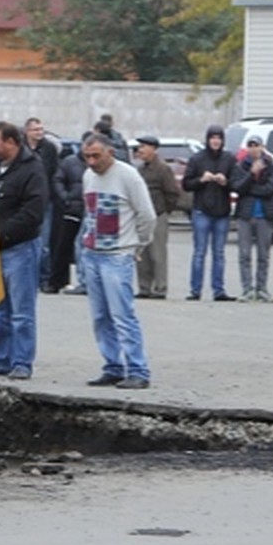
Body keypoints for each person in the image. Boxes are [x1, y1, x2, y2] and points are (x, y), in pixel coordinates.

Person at [78, 132, 156, 389]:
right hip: (92, 253)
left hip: (117, 255)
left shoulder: (128, 176)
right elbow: (89, 212)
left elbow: (146, 214)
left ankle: (137, 369)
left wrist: (137, 244)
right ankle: (112, 365)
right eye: (87, 156)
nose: (91, 161)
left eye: (96, 156)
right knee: (100, 316)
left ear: (110, 152)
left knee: (123, 315)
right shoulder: (88, 176)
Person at [0, 121, 48, 381]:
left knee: (21, 310)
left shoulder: (32, 170)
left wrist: (2, 233)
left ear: (12, 143)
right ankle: (2, 360)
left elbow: (33, 212)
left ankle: (22, 362)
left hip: (20, 249)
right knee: (1, 310)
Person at [182, 125, 237, 301]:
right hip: (202, 210)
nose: (215, 141)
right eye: (212, 137)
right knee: (199, 252)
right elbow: (186, 184)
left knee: (219, 253)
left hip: (222, 212)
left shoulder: (229, 159)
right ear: (207, 139)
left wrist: (225, 181)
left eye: (219, 138)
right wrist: (201, 179)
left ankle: (219, 290)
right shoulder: (197, 159)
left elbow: (237, 184)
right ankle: (195, 290)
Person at [231, 134, 273, 302]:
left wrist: (250, 189)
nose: (254, 149)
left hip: (265, 215)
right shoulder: (240, 166)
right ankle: (247, 288)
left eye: (256, 145)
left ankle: (262, 288)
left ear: (262, 147)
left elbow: (269, 190)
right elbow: (237, 188)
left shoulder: (272, 167)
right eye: (250, 146)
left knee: (263, 255)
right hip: (246, 215)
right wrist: (251, 175)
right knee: (244, 254)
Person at [133, 136, 180, 299]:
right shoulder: (140, 170)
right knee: (142, 254)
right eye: (139, 147)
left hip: (158, 215)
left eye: (143, 147)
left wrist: (164, 210)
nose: (140, 150)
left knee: (157, 254)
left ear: (153, 149)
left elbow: (172, 193)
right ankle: (144, 287)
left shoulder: (163, 169)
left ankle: (160, 288)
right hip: (141, 217)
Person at [24, 117, 59, 291]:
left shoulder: (49, 149)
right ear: (27, 131)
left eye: (41, 129)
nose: (39, 133)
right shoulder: (21, 149)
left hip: (45, 201)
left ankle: (44, 278)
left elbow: (54, 174)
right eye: (36, 130)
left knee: (44, 244)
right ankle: (28, 278)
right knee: (26, 242)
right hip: (25, 201)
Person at [50, 137, 88, 293]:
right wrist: (65, 198)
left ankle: (85, 281)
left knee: (85, 247)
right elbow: (57, 180)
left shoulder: (98, 164)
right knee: (64, 246)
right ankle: (57, 281)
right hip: (72, 208)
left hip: (91, 210)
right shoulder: (69, 162)